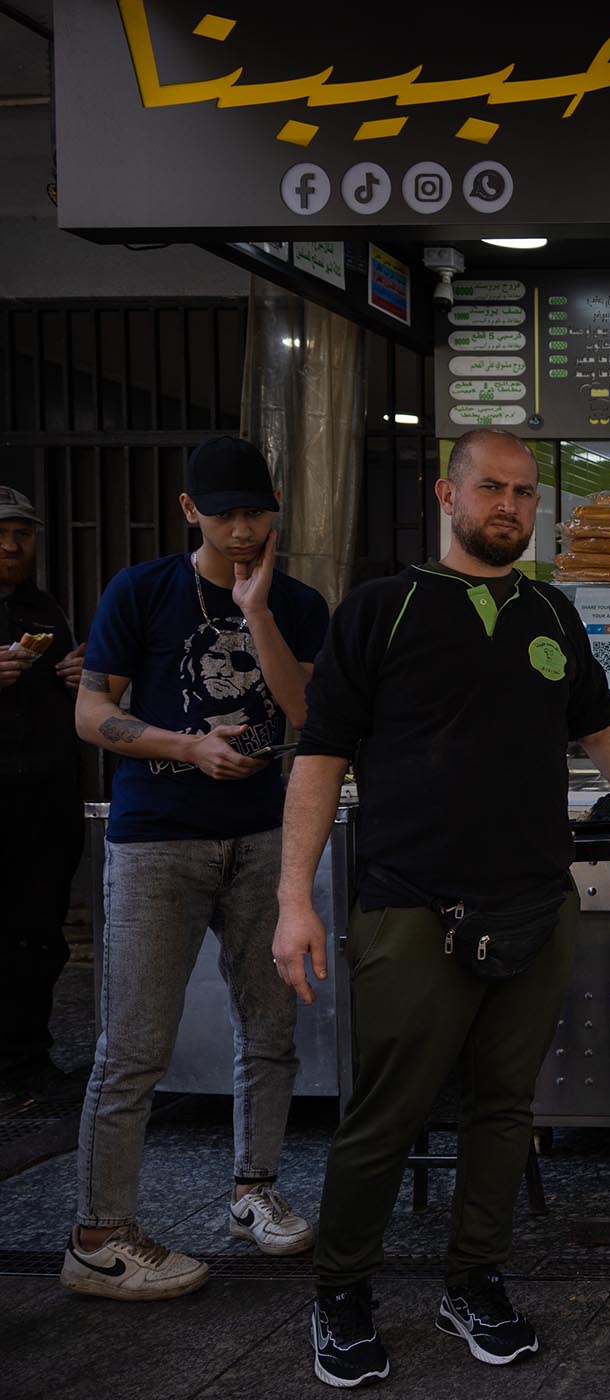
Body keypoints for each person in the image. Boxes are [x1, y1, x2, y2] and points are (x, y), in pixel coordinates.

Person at [274, 428, 610, 1388]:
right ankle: (342, 1294)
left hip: (536, 900)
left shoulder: (552, 611)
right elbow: (319, 757)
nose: (512, 509)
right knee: (386, 1113)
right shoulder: (381, 610)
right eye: (492, 489)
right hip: (410, 907)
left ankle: (473, 1280)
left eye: (527, 495)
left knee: (505, 1109)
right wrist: (295, 900)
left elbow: (599, 724)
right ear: (446, 494)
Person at [67, 437, 330, 1300]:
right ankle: (99, 1237)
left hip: (263, 838)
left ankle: (254, 1192)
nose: (244, 530)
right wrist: (187, 746)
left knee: (272, 1030)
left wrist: (256, 611)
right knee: (134, 1044)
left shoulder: (295, 601)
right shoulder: (139, 590)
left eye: (258, 513)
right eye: (225, 515)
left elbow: (308, 716)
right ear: (191, 511)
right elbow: (90, 708)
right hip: (156, 838)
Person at [0, 486, 87, 1090]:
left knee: (39, 930)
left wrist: (84, 674)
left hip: (48, 794)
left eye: (22, 533)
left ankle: (27, 1057)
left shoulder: (45, 608)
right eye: (2, 533)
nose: (11, 544)